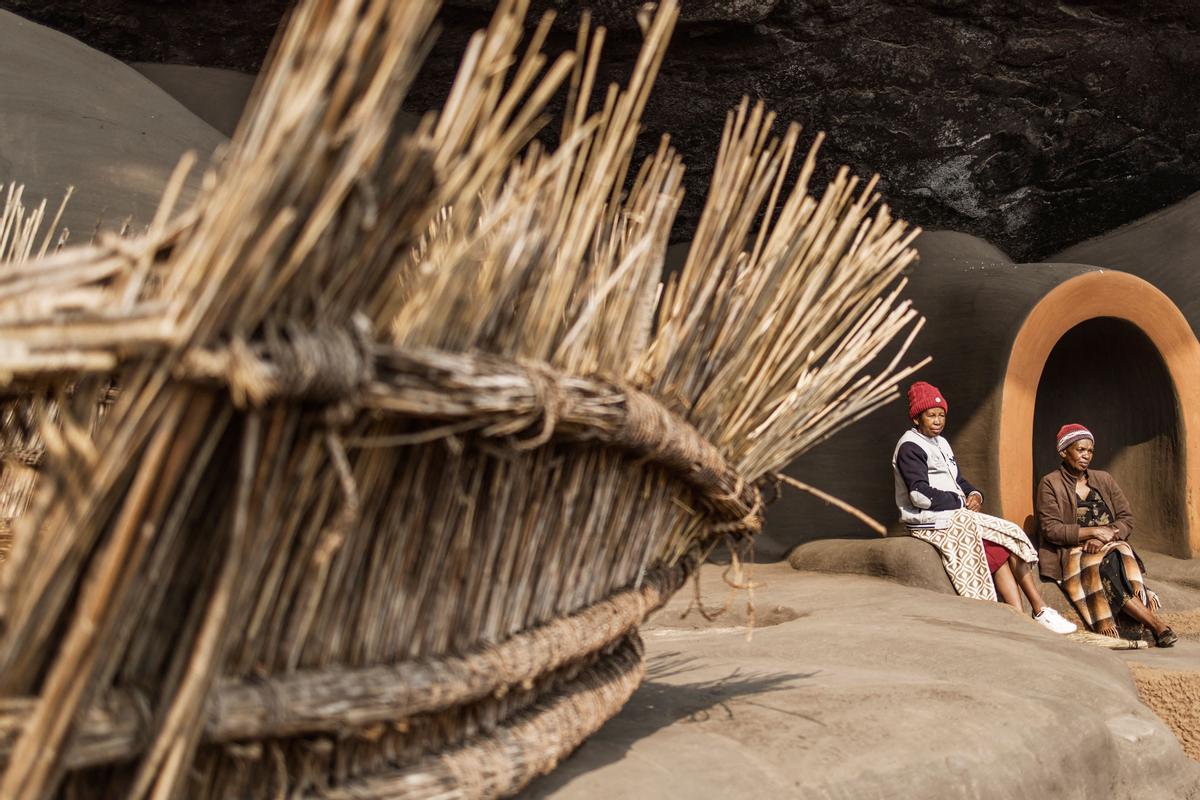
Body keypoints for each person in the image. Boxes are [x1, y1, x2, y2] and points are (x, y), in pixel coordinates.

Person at [892, 381, 1076, 634]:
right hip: (930, 521)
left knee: (1006, 540)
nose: (937, 421)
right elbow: (918, 495)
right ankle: (1032, 612)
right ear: (916, 418)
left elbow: (957, 481)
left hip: (955, 515)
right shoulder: (910, 446)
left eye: (941, 415)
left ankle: (1032, 614)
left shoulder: (941, 443)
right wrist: (959, 501)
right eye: (931, 415)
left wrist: (974, 494)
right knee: (1001, 542)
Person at [1035, 424, 1176, 647]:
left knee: (1114, 560)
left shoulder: (1104, 479)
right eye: (1080, 450)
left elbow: (1126, 518)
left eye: (1090, 451)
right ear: (1064, 452)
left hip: (1109, 545)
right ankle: (1157, 626)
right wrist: (1091, 532)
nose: (1086, 456)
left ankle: (1152, 628)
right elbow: (1051, 529)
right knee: (1109, 565)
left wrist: (1103, 537)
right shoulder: (1050, 483)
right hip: (1073, 551)